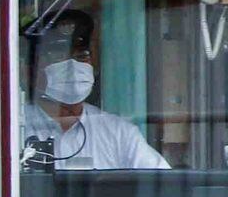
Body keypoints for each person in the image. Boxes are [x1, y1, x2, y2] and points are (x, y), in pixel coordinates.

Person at [21, 14, 169, 170]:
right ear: (31, 70)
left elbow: (163, 186)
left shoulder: (117, 133)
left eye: (81, 56)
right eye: (59, 57)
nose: (73, 66)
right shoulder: (16, 128)